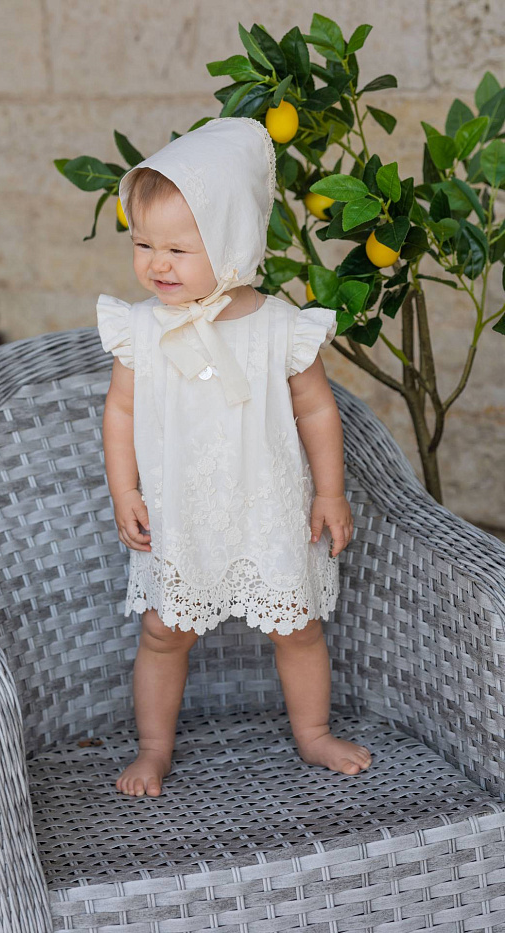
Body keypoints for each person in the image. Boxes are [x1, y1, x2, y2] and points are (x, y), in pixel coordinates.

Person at [96, 116, 372, 798]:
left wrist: (329, 492)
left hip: (268, 505)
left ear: (234, 244)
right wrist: (124, 490)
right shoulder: (140, 329)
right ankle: (154, 747)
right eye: (143, 244)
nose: (157, 264)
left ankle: (313, 733)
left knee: (298, 628)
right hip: (180, 512)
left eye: (177, 249)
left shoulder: (279, 327)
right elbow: (121, 412)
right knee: (163, 632)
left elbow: (316, 411)